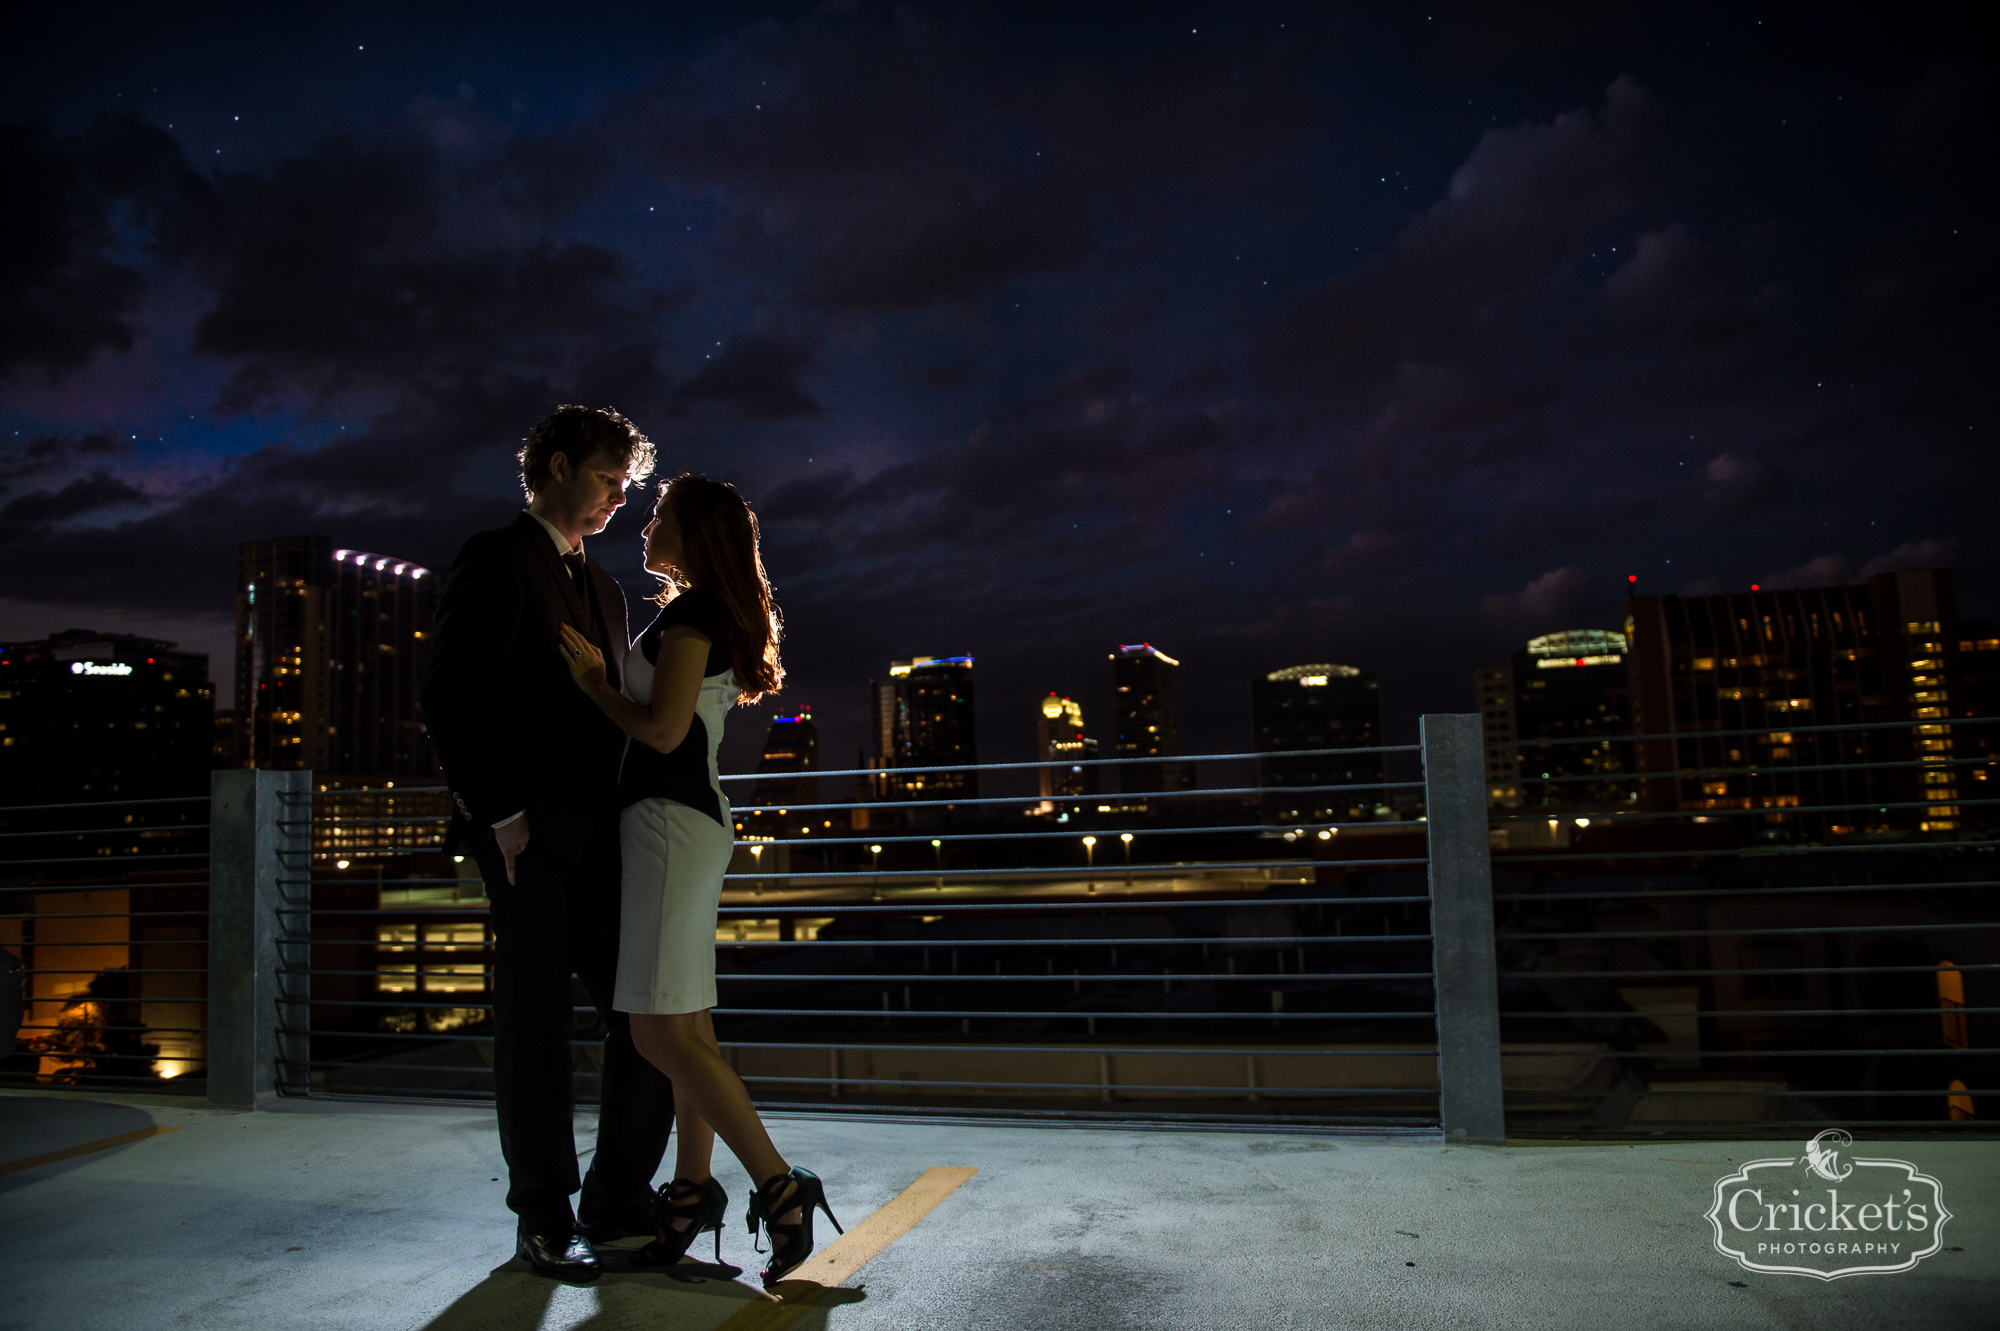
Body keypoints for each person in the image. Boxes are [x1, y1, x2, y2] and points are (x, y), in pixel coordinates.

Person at [558, 473, 841, 1287]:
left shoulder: (693, 614)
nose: (647, 525)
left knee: (657, 1035)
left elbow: (661, 728)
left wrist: (593, 685)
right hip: (681, 825)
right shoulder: (702, 613)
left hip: (667, 826)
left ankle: (780, 1186)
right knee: (688, 1031)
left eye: (660, 516)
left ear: (692, 534)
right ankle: (687, 1193)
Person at [418, 405, 675, 1282]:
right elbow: (453, 697)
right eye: (609, 480)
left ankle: (615, 1203)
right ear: (558, 466)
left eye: (626, 486)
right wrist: (502, 818)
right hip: (526, 838)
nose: (618, 499)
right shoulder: (496, 558)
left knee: (646, 1020)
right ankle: (543, 1216)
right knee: (535, 1026)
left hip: (603, 838)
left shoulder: (604, 590)